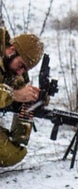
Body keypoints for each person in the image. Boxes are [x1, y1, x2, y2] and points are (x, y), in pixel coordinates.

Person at [0, 29, 43, 167]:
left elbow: (19, 89)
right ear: (12, 50)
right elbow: (14, 94)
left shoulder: (13, 68)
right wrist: (14, 95)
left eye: (25, 69)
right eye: (21, 65)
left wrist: (33, 98)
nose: (20, 72)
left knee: (11, 153)